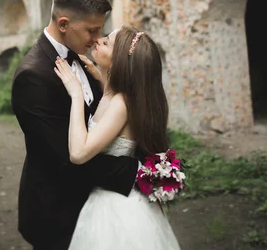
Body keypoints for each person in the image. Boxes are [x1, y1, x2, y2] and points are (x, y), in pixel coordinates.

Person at [11, 0, 139, 250]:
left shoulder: (82, 59)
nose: (97, 40)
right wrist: (139, 171)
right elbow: (67, 159)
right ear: (64, 25)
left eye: (100, 30)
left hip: (95, 205)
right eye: (91, 31)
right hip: (58, 212)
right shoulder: (32, 77)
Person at [54, 25, 181, 249]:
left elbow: (78, 153)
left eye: (107, 43)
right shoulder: (117, 96)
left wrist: (75, 94)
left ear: (119, 62)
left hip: (115, 211)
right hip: (110, 200)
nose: (98, 40)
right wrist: (102, 77)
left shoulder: (122, 104)